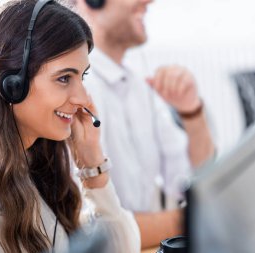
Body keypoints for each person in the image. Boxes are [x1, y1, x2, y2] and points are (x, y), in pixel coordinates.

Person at [0, 1, 140, 252]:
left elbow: (121, 247)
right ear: (13, 84)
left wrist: (92, 162)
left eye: (81, 77)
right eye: (64, 78)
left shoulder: (35, 167)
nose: (83, 98)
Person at [73, 0, 216, 249]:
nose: (149, 2)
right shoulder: (77, 94)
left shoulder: (137, 84)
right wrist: (195, 218)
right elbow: (90, 231)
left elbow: (195, 178)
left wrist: (191, 111)